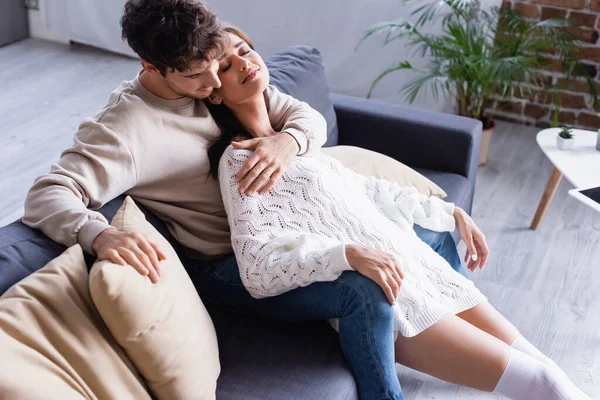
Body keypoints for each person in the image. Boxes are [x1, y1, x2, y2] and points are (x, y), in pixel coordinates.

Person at [21, 1, 477, 399]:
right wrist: (98, 235)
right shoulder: (124, 130)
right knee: (364, 291)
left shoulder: (218, 76)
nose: (212, 83)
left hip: (285, 227)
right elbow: (48, 193)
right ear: (149, 67)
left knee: (427, 226)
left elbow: (302, 115)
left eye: (214, 64)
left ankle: (469, 332)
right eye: (195, 75)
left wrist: (288, 142)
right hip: (230, 263)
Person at [202, 26, 591, 400]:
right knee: (541, 381)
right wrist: (344, 255)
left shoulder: (294, 136)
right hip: (397, 298)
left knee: (543, 363)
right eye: (225, 65)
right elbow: (257, 266)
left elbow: (362, 190)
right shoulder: (240, 161)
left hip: (420, 266)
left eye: (244, 50)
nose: (242, 61)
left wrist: (447, 211)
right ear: (215, 94)